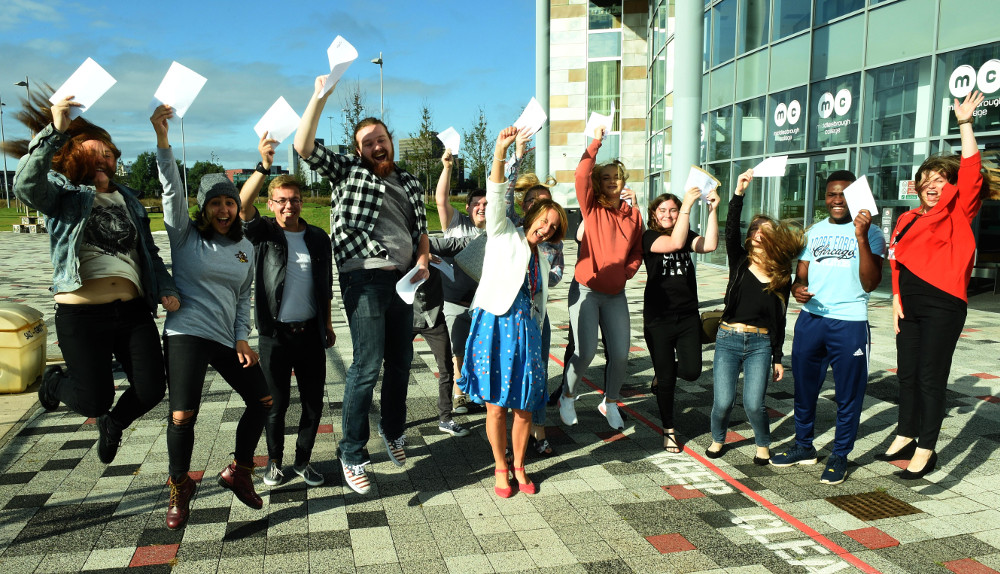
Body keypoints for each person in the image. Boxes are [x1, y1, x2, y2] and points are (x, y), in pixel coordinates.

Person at [8, 93, 178, 466]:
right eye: (93, 154)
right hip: (81, 316)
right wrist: (56, 129)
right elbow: (25, 185)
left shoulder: (128, 200)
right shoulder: (64, 196)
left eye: (109, 154)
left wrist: (165, 287)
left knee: (151, 390)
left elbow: (148, 253)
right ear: (73, 159)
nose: (104, 160)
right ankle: (54, 384)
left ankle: (113, 424)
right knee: (93, 400)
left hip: (133, 313)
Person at [294, 76, 430, 495]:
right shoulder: (349, 171)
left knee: (402, 362)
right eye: (368, 142)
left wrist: (423, 258)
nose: (377, 146)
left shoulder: (408, 182)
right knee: (367, 365)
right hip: (364, 277)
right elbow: (304, 147)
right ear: (358, 151)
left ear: (392, 141)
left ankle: (392, 430)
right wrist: (320, 97)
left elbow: (421, 230)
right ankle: (352, 452)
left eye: (381, 138)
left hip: (404, 281)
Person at [152, 105, 271, 529]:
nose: (224, 210)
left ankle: (239, 470)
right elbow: (170, 190)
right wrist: (163, 142)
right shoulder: (185, 235)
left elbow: (243, 297)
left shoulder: (245, 248)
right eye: (216, 204)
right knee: (183, 415)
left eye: (229, 203)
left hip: (225, 337)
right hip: (186, 331)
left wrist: (243, 336)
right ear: (203, 209)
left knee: (263, 401)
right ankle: (180, 486)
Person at [880, 90, 987, 480]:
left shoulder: (958, 210)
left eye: (940, 180)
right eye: (926, 180)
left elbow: (972, 169)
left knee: (930, 376)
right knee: (906, 374)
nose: (932, 185)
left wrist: (965, 124)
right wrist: (894, 297)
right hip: (908, 303)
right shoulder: (908, 219)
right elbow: (896, 259)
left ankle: (926, 448)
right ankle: (905, 433)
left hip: (943, 304)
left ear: (952, 186)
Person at [458, 126, 567, 498]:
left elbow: (539, 298)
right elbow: (497, 192)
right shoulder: (503, 232)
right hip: (493, 325)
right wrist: (505, 152)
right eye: (544, 221)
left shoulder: (541, 253)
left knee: (523, 406)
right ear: (532, 214)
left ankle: (520, 465)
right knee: (496, 407)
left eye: (553, 228)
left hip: (526, 330)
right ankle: (500, 467)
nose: (546, 228)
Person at [770, 170, 884, 485]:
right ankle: (804, 447)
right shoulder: (813, 231)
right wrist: (797, 289)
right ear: (825, 196)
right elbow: (801, 275)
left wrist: (861, 237)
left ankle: (839, 455)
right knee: (805, 390)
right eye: (832, 194)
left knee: (849, 395)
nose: (837, 200)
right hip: (811, 320)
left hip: (849, 323)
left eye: (844, 194)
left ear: (854, 197)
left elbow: (871, 282)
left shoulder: (872, 234)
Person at [238, 134, 334, 488]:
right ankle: (274, 462)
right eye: (281, 201)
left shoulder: (318, 237)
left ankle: (304, 462)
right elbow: (241, 202)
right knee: (275, 404)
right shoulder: (263, 233)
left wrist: (326, 322)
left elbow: (325, 283)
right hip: (274, 334)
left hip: (309, 332)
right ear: (271, 203)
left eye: (294, 200)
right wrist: (263, 166)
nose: (288, 206)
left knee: (312, 403)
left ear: (302, 202)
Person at [707, 169, 804, 464]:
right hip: (727, 338)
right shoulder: (739, 261)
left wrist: (778, 356)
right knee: (723, 402)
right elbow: (731, 228)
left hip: (760, 344)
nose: (758, 233)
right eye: (754, 229)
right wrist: (738, 193)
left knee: (754, 404)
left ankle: (763, 444)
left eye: (764, 229)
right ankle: (717, 439)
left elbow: (779, 319)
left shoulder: (781, 275)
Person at [559, 125, 643, 431]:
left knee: (620, 354)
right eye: (605, 177)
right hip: (586, 290)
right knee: (584, 351)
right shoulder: (591, 207)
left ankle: (609, 401)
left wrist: (626, 272)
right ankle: (567, 395)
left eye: (616, 177)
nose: (611, 181)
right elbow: (581, 175)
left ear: (623, 181)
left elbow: (637, 249)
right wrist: (595, 143)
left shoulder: (633, 213)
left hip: (615, 294)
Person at [642, 187, 719, 453]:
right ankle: (669, 430)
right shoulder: (649, 237)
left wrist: (712, 210)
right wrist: (687, 204)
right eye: (662, 210)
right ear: (654, 214)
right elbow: (673, 243)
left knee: (691, 371)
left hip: (687, 317)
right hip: (659, 319)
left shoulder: (685, 235)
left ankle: (662, 374)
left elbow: (709, 245)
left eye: (673, 210)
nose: (668, 214)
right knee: (667, 382)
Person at [435, 150, 486, 415]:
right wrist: (447, 167)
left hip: (484, 303)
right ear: (467, 208)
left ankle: (479, 391)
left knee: (481, 347)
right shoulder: (456, 225)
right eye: (476, 203)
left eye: (486, 204)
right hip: (454, 301)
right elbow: (441, 200)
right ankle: (460, 394)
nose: (481, 207)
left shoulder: (497, 229)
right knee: (458, 349)